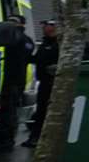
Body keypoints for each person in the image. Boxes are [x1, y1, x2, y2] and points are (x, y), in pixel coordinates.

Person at [0, 15, 33, 153]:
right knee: (5, 111)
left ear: (21, 25)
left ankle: (6, 141)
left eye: (13, 22)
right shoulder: (19, 38)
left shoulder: (21, 38)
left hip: (14, 80)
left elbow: (15, 46)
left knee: (9, 111)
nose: (9, 24)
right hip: (7, 79)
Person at [22, 20, 61, 148]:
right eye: (45, 26)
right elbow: (37, 59)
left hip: (54, 84)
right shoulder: (44, 44)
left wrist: (56, 68)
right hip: (43, 83)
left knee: (48, 112)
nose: (45, 28)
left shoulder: (59, 44)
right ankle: (35, 138)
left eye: (48, 26)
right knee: (41, 112)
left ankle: (42, 139)